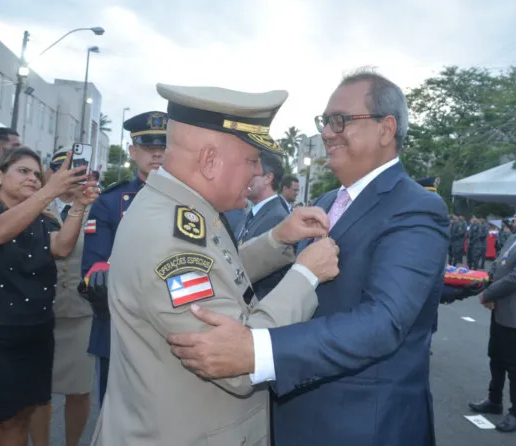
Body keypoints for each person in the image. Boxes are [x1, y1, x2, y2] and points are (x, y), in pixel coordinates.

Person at [167, 69, 451, 446]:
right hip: (298, 416)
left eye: (341, 121)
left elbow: (384, 321)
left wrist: (258, 350)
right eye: (326, 122)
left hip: (364, 426)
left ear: (386, 128)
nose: (328, 133)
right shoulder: (327, 202)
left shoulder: (416, 208)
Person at [90, 83, 340, 446]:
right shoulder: (171, 238)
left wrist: (276, 239)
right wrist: (306, 275)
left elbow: (218, 275)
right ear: (209, 161)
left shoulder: (183, 210)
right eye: (251, 161)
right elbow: (236, 358)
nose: (256, 175)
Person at [0, 147, 97, 445]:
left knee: (17, 422)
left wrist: (77, 206)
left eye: (37, 175)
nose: (32, 178)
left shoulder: (42, 219)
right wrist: (49, 191)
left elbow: (61, 247)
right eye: (23, 171)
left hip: (33, 337)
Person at [80, 111, 167, 407]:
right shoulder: (110, 202)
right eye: (148, 147)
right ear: (132, 152)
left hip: (174, 332)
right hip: (120, 329)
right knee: (115, 414)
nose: (157, 153)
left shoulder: (188, 200)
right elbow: (94, 275)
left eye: (164, 146)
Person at [29, 150, 95, 446]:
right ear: (50, 175)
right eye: (63, 171)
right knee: (37, 390)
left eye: (79, 172)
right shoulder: (34, 206)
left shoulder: (98, 209)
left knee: (79, 389)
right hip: (39, 311)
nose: (72, 178)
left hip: (81, 312)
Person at [468, 199, 516, 433]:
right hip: (500, 307)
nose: (515, 216)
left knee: (513, 365)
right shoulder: (514, 238)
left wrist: (487, 294)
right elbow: (499, 267)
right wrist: (489, 286)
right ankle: (494, 400)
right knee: (496, 356)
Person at [237, 151, 290, 299]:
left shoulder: (276, 218)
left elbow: (266, 277)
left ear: (268, 178)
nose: (246, 178)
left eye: (253, 174)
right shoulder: (252, 213)